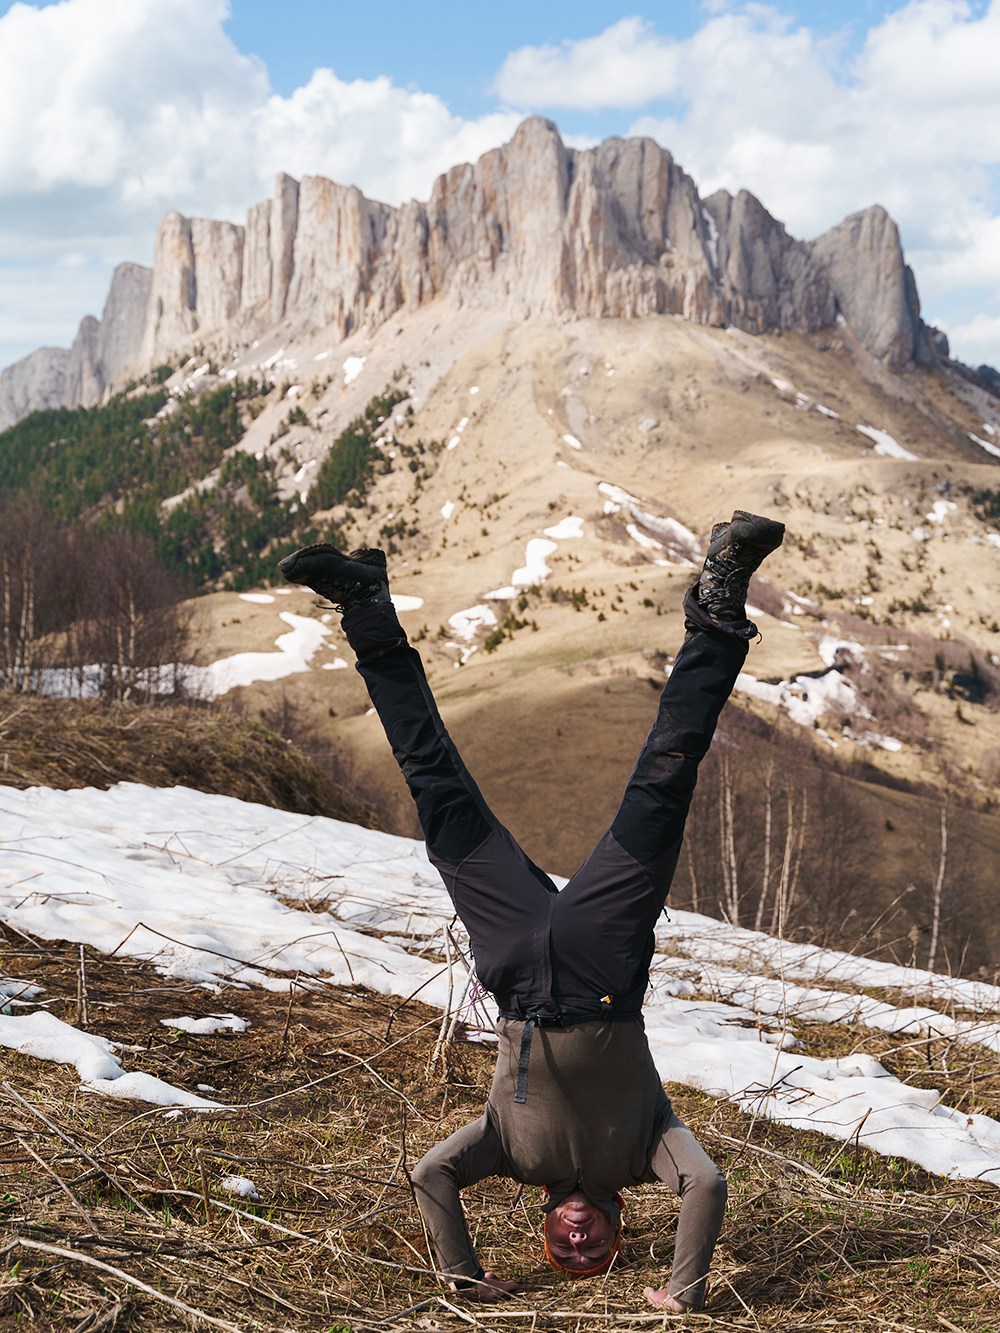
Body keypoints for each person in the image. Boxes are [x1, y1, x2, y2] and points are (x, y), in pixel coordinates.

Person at [279, 509, 785, 1311]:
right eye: (596, 1250)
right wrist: (684, 1291)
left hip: (512, 955)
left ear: (545, 1225)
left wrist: (461, 1274)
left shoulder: (506, 1153)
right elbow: (708, 1184)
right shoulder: (646, 1154)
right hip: (604, 962)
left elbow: (429, 1174)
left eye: (563, 1251)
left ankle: (364, 605)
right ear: (619, 1226)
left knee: (433, 784)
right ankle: (722, 593)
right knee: (665, 779)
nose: (578, 1241)